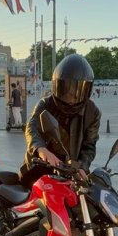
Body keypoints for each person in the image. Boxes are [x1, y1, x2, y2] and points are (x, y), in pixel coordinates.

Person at [19, 54, 100, 187]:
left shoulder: (92, 113)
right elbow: (31, 127)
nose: (71, 98)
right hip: (39, 166)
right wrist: (41, 149)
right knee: (25, 201)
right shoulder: (45, 104)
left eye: (76, 92)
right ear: (57, 86)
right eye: (67, 91)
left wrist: (82, 167)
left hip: (70, 170)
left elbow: (89, 146)